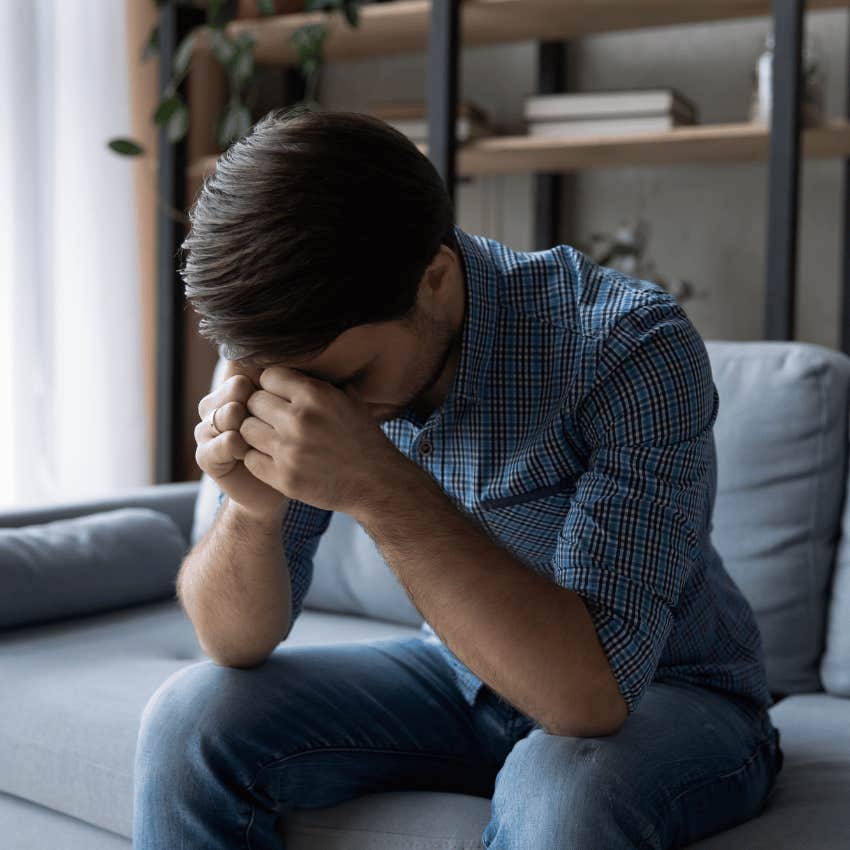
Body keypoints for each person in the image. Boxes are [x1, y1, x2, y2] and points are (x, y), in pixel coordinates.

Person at [132, 107, 783, 850]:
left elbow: (589, 699)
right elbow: (232, 642)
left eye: (350, 379)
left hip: (675, 693)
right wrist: (252, 511)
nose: (323, 409)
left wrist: (377, 485)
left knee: (563, 794)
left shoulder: (627, 348)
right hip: (458, 674)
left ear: (434, 279)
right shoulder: (294, 337)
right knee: (190, 719)